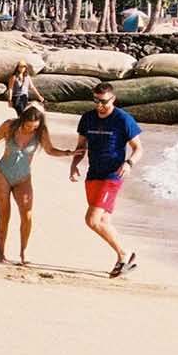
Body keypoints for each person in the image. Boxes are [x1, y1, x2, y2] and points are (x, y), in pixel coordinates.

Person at [0, 104, 67, 264]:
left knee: (27, 215)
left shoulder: (41, 131)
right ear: (22, 120)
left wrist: (67, 153)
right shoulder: (9, 126)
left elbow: (50, 150)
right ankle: (1, 254)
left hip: (23, 177)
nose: (31, 129)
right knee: (5, 215)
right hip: (2, 174)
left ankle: (24, 253)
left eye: (35, 126)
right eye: (28, 125)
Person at [71, 83, 143, 277]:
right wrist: (74, 164)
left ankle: (124, 254)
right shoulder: (87, 118)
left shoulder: (123, 119)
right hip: (93, 174)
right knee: (103, 220)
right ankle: (122, 260)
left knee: (91, 220)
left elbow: (139, 148)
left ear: (113, 99)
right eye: (95, 101)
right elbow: (81, 146)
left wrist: (128, 163)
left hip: (113, 175)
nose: (99, 105)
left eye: (103, 102)